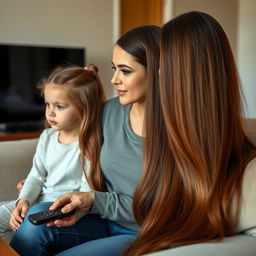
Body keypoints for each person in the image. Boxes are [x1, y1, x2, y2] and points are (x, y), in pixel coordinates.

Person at [10, 25, 161, 256]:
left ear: (159, 72)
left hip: (141, 231)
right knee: (33, 222)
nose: (113, 80)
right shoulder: (108, 112)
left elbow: (161, 209)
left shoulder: (175, 132)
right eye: (114, 68)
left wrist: (93, 200)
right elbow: (74, 147)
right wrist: (40, 180)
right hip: (99, 218)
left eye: (125, 70)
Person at [123, 11, 256, 255]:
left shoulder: (245, 174)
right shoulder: (166, 142)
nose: (157, 74)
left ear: (184, 75)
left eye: (162, 65)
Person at [0, 64, 105, 243]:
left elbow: (88, 191)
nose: (50, 112)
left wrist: (74, 215)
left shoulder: (90, 144)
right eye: (48, 104)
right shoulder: (47, 137)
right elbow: (36, 175)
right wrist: (23, 200)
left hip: (58, 209)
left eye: (60, 106)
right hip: (37, 201)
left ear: (84, 107)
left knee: (29, 230)